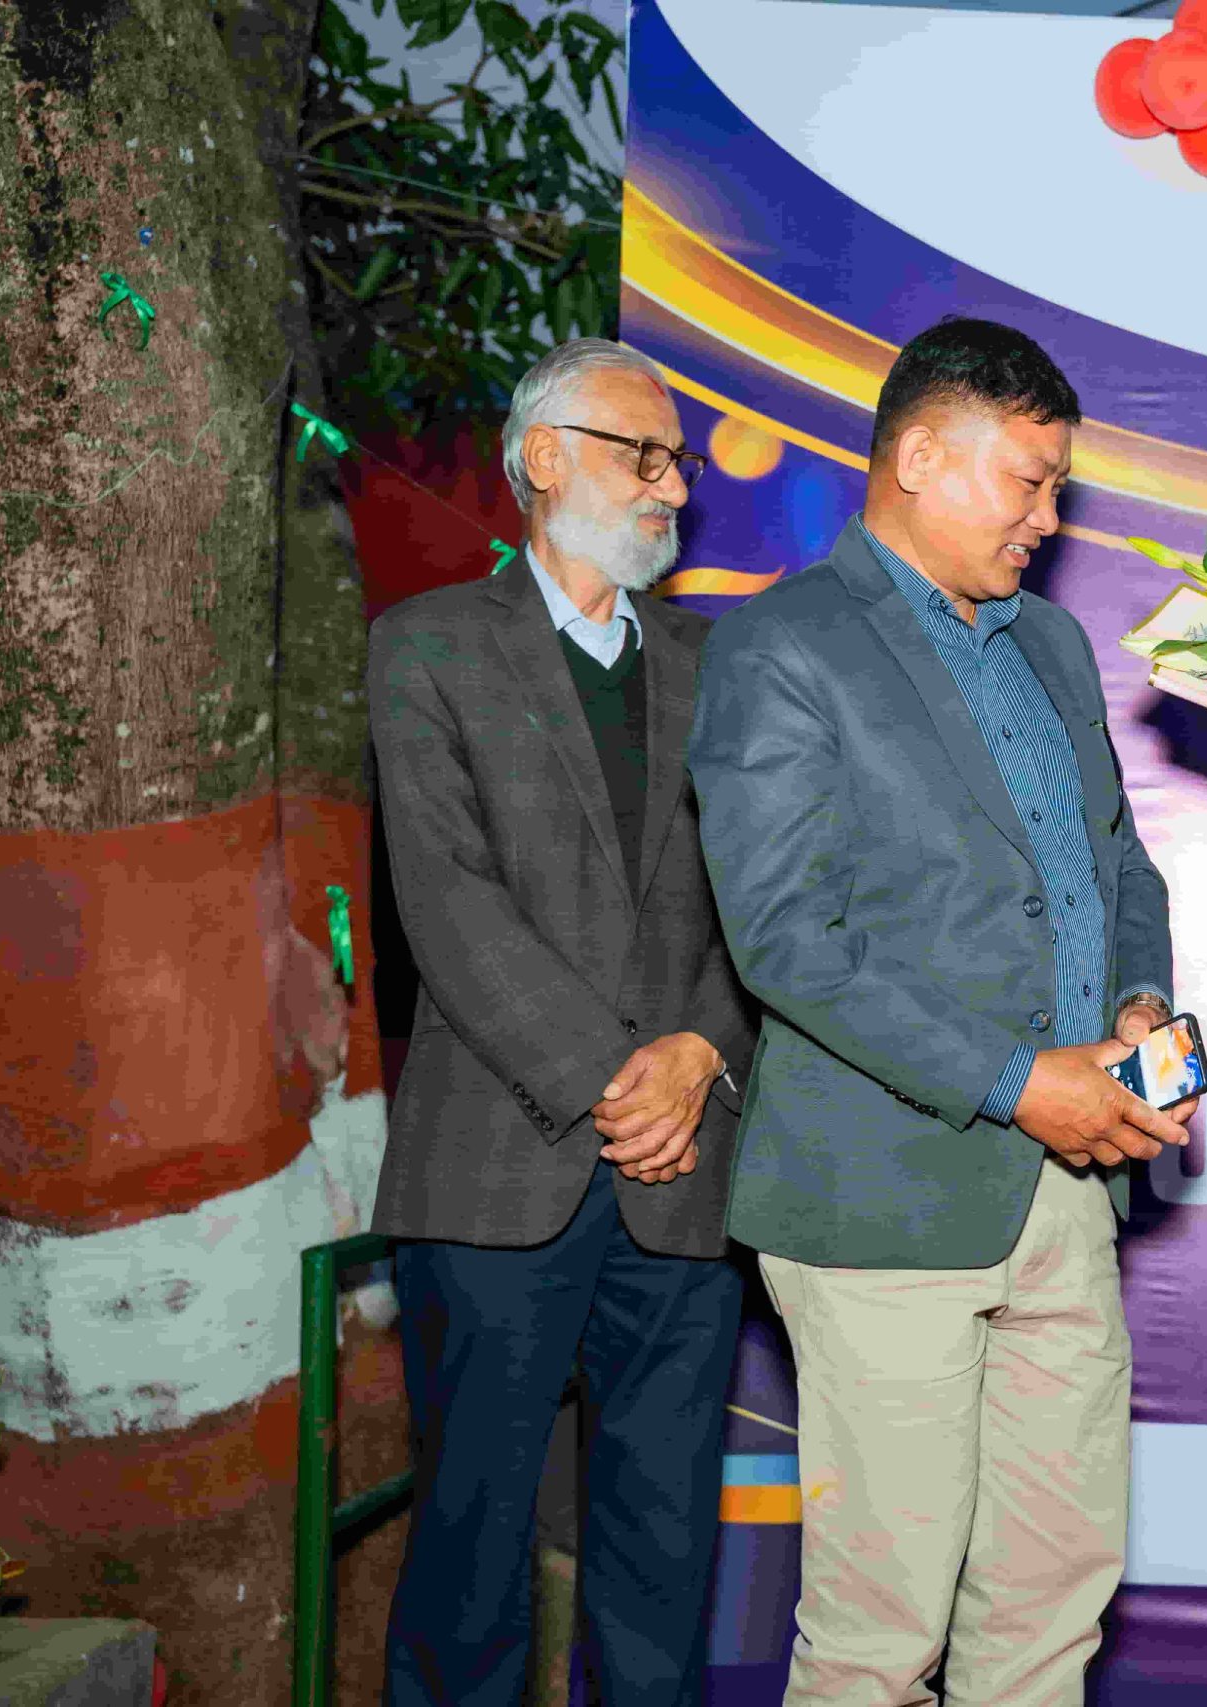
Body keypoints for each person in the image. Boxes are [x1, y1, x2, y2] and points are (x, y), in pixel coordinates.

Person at [688, 317, 1187, 1707]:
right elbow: (787, 940)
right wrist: (1022, 1081)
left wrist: (1140, 1003)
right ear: (916, 457)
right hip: (881, 1199)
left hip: (1065, 1195)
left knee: (1052, 1602)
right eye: (1027, 481)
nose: (1049, 519)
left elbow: (1117, 865)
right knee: (880, 1631)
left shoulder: (1052, 647)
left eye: (1057, 487)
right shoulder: (782, 646)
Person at [367, 337, 757, 1706]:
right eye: (642, 455)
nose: (674, 487)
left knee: (663, 1561)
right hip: (494, 1171)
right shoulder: (427, 645)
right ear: (545, 457)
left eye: (679, 462)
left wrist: (700, 1052)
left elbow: (764, 899)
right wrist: (616, 1080)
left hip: (684, 1178)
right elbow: (447, 903)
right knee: (469, 1558)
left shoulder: (723, 663)